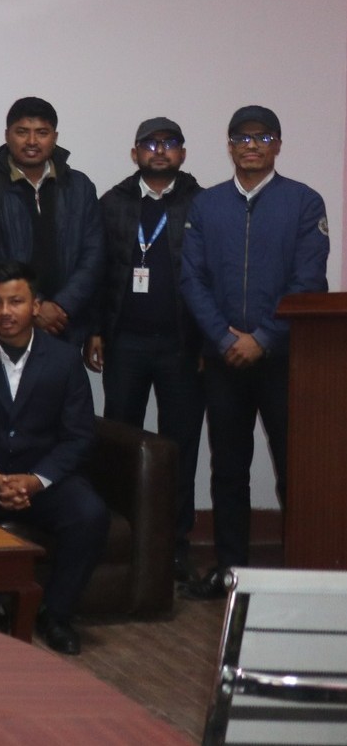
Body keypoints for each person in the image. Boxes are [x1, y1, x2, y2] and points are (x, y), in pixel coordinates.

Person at [179, 106, 330, 599]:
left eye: (262, 137)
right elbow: (192, 281)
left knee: (295, 468)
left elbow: (309, 281)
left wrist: (262, 338)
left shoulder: (304, 202)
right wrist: (226, 340)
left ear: (277, 145)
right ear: (229, 145)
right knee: (228, 470)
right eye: (241, 137)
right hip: (223, 360)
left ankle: (300, 570)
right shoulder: (206, 205)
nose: (251, 145)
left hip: (284, 359)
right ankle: (231, 572)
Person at [0, 261, 105, 654]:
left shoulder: (64, 360)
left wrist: (35, 480)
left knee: (90, 514)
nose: (5, 311)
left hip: (43, 478)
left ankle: (55, 614)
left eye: (15, 301)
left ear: (36, 306)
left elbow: (79, 435)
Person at [86, 117, 206, 584]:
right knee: (120, 442)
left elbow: (209, 275)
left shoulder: (202, 202)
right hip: (125, 342)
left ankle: (174, 547)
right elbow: (98, 270)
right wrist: (95, 330)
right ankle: (121, 541)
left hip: (182, 344)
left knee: (179, 449)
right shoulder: (113, 203)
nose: (160, 151)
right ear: (134, 153)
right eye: (150, 144)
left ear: (182, 153)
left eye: (169, 143)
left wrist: (207, 339)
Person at [0, 96, 102, 344]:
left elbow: (93, 256)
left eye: (42, 133)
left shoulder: (80, 187)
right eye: (22, 132)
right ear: (7, 135)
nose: (32, 141)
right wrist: (33, 306)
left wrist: (62, 306)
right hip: (5, 326)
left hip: (65, 324)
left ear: (54, 137)